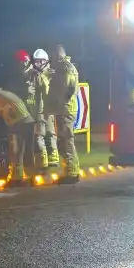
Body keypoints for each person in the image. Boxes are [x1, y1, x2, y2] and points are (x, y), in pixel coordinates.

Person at [0, 85, 36, 185]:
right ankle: (30, 177)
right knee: (25, 152)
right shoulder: (6, 95)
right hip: (28, 122)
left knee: (15, 152)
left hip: (18, 124)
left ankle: (16, 179)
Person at [47, 45, 81, 183]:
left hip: (65, 109)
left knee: (67, 141)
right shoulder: (63, 68)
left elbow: (68, 87)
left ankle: (72, 173)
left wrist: (61, 100)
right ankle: (69, 171)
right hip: (63, 109)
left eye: (53, 56)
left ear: (58, 56)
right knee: (64, 141)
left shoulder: (65, 68)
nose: (51, 60)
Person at [30, 48, 58, 169]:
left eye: (41, 61)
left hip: (48, 109)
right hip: (39, 110)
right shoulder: (32, 75)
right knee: (39, 135)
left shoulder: (51, 74)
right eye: (37, 61)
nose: (39, 64)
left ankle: (53, 159)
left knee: (50, 134)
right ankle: (43, 161)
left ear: (46, 61)